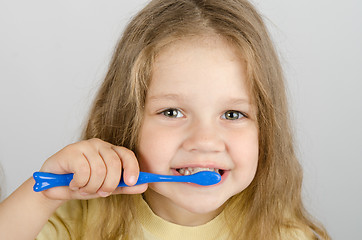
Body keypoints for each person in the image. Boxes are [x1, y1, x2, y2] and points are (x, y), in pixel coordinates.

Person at [0, 0, 330, 239]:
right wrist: (43, 192)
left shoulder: (285, 235)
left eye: (233, 114)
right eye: (172, 112)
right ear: (126, 121)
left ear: (265, 131)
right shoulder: (77, 222)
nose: (204, 140)